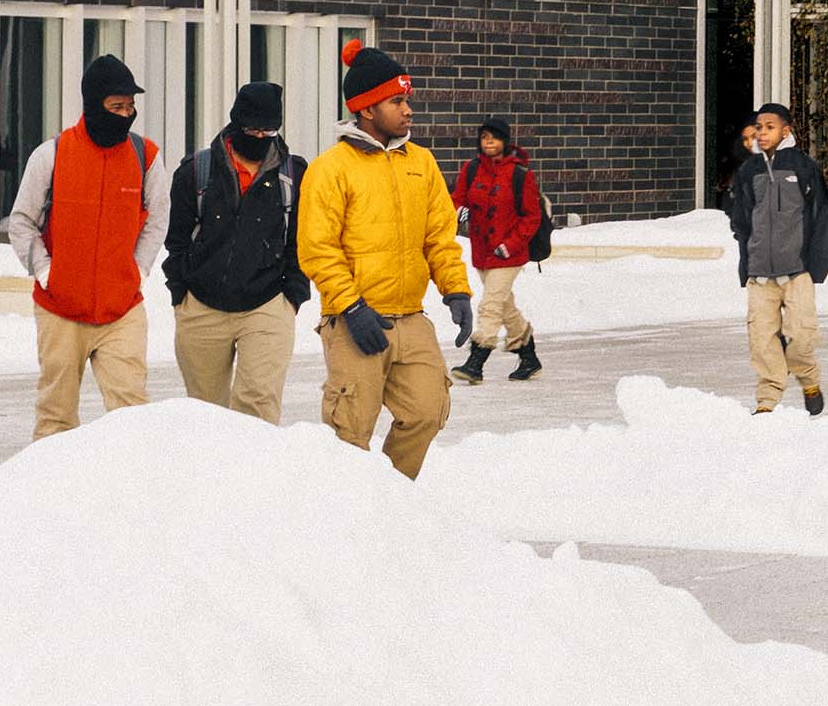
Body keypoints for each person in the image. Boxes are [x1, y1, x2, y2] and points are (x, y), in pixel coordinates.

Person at [298, 41, 472, 478]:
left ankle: (391, 498)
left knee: (428, 410)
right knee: (350, 431)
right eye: (397, 101)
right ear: (368, 109)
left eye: (406, 99)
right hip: (355, 320)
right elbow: (317, 248)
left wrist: (455, 289)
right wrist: (351, 308)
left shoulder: (422, 163)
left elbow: (439, 236)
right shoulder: (331, 168)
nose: (407, 109)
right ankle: (346, 512)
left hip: (410, 318)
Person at [5, 53, 170, 441]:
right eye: (117, 106)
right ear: (94, 105)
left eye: (130, 106)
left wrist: (139, 270)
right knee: (56, 418)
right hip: (60, 309)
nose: (126, 113)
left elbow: (158, 219)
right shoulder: (53, 154)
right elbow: (21, 222)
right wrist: (46, 272)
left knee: (132, 412)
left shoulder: (145, 156)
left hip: (121, 309)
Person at [161, 79, 308, 423]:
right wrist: (179, 289)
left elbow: (301, 241)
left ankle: (254, 476)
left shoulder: (295, 175)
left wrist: (294, 293)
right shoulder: (197, 171)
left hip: (269, 301)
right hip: (201, 304)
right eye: (252, 129)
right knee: (206, 412)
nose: (259, 138)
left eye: (268, 131)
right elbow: (176, 238)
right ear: (235, 123)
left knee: (257, 403)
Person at [726, 102, 828, 413]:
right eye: (758, 127)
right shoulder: (748, 171)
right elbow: (741, 220)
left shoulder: (804, 167)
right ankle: (768, 400)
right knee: (761, 341)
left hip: (797, 271)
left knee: (800, 337)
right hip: (760, 273)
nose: (762, 133)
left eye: (770, 127)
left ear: (786, 130)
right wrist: (748, 258)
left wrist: (815, 265)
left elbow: (820, 215)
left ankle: (808, 378)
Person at [448, 118, 547, 385]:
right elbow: (458, 198)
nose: (489, 142)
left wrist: (510, 245)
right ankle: (529, 357)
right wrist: (459, 210)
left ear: (505, 141)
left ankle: (476, 362)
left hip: (509, 253)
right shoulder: (471, 169)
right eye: (484, 137)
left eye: (494, 137)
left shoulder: (520, 174)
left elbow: (531, 217)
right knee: (504, 305)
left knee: (490, 305)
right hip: (482, 251)